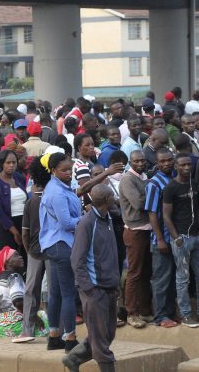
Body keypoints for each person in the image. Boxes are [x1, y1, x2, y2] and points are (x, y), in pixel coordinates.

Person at [64, 184, 120, 372]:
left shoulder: (109, 218)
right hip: (94, 289)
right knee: (100, 341)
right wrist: (89, 288)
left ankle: (73, 358)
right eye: (112, 196)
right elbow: (77, 260)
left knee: (106, 334)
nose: (114, 198)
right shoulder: (87, 223)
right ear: (106, 200)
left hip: (109, 286)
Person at [162, 153, 199, 327]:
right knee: (183, 278)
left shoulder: (194, 184)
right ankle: (185, 314)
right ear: (175, 166)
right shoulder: (171, 188)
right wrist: (176, 238)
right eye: (182, 165)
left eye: (189, 164)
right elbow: (166, 216)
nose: (187, 168)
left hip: (197, 237)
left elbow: (197, 210)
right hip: (182, 238)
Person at [40, 152, 82, 353]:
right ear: (54, 170)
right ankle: (70, 338)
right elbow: (66, 223)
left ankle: (54, 336)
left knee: (55, 293)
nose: (68, 173)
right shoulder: (56, 192)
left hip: (53, 244)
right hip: (61, 244)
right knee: (68, 294)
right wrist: (85, 219)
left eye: (70, 170)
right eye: (64, 170)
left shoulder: (57, 187)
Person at [118, 150, 152, 329]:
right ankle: (131, 313)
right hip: (135, 230)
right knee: (134, 273)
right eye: (136, 161)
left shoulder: (144, 176)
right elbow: (138, 204)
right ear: (130, 162)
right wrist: (153, 193)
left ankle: (145, 310)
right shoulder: (128, 179)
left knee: (146, 272)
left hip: (147, 229)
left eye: (142, 160)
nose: (140, 164)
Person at [145, 148, 177, 328]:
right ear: (157, 163)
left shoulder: (173, 178)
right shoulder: (154, 184)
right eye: (163, 161)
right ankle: (161, 316)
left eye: (169, 160)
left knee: (173, 277)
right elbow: (152, 214)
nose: (167, 164)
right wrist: (160, 239)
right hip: (161, 239)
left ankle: (171, 312)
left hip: (174, 237)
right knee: (161, 278)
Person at [21, 156, 52, 338]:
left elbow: (25, 232)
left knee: (31, 289)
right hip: (53, 249)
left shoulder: (31, 202)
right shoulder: (54, 197)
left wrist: (28, 250)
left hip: (34, 250)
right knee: (53, 289)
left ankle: (27, 330)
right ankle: (55, 329)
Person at [0, 246, 48, 339]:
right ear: (7, 262)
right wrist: (36, 319)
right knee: (46, 315)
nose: (20, 256)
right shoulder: (14, 276)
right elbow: (18, 302)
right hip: (13, 326)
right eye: (16, 255)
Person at [0, 150, 27, 253]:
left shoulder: (19, 178)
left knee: (25, 258)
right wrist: (15, 232)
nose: (11, 165)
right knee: (10, 259)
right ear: (2, 164)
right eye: (8, 163)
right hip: (7, 227)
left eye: (14, 162)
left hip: (23, 223)